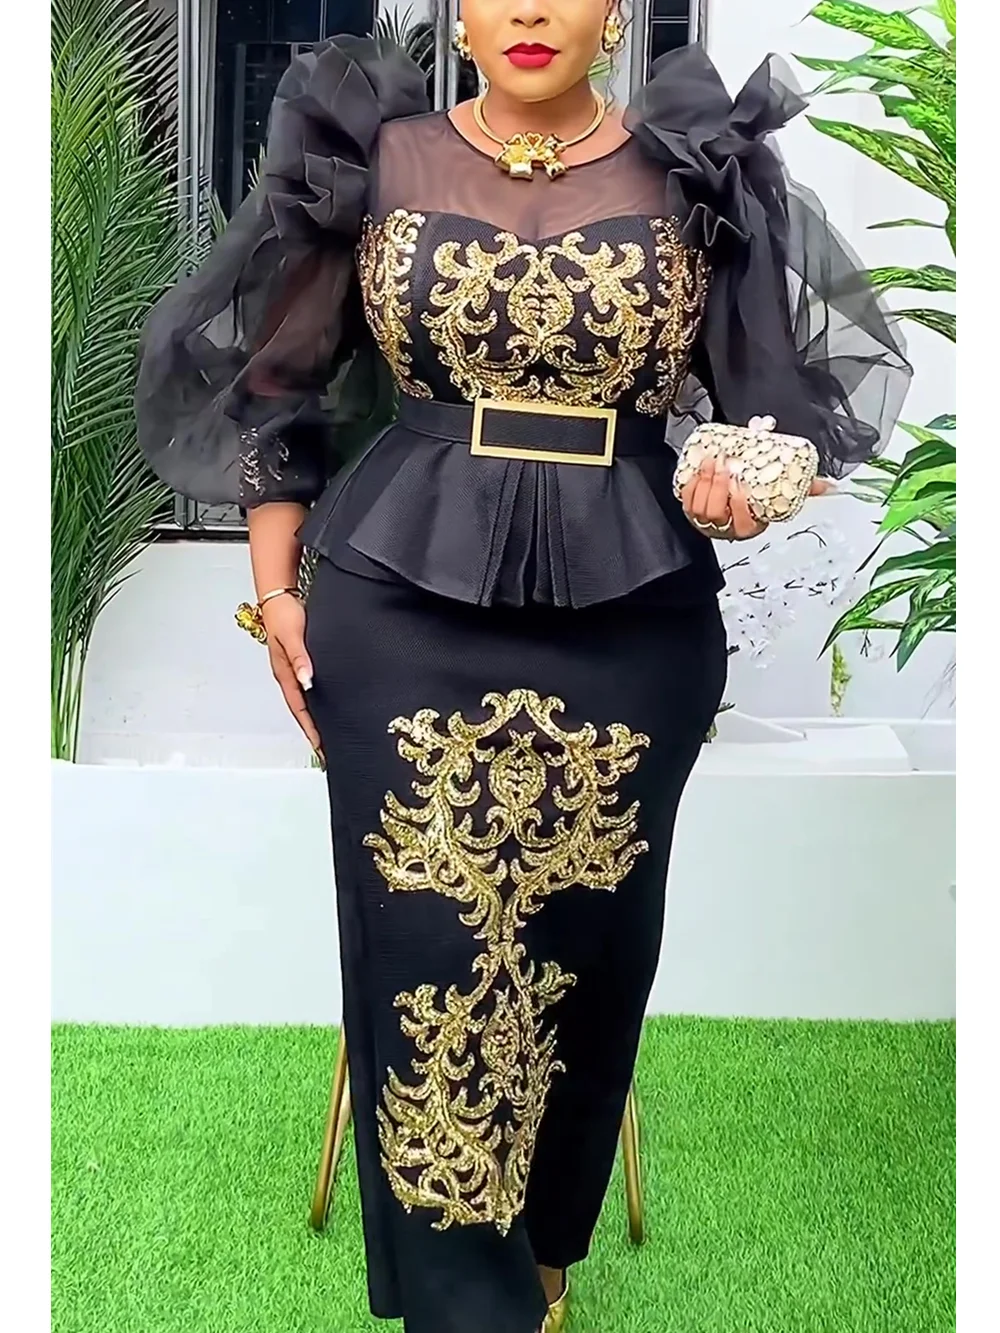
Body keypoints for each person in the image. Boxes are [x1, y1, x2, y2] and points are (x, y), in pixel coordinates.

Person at [135, 5, 909, 1331]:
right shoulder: (370, 157)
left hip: (634, 615)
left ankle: (545, 1261)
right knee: (425, 950)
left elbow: (775, 414)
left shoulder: (702, 170)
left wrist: (745, 483)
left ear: (616, 9)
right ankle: (470, 1306)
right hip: (399, 605)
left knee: (592, 953)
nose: (532, 10)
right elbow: (278, 391)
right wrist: (274, 594)